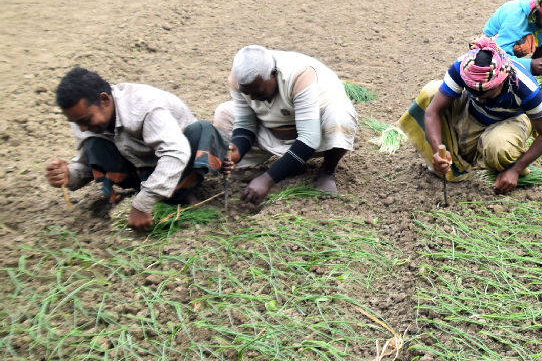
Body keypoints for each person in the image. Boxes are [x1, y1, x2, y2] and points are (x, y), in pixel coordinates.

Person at [45, 67, 232, 232]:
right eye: (76, 123)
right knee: (94, 143)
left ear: (104, 100)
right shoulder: (84, 123)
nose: (82, 128)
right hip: (139, 168)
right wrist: (69, 175)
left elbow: (176, 153)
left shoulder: (143, 106)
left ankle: (182, 193)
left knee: (201, 130)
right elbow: (89, 164)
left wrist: (144, 203)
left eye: (85, 120)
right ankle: (155, 192)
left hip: (180, 163)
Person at [398, 37, 542, 194]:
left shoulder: (524, 86)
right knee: (431, 92)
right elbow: (433, 111)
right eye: (475, 92)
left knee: (499, 146)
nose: (481, 98)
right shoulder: (463, 67)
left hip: (511, 119)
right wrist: (436, 151)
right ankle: (453, 162)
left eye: (487, 94)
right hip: (474, 111)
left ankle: (493, 167)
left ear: (501, 81)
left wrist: (516, 169)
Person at [212, 46, 358, 205]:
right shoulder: (238, 79)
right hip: (272, 131)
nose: (253, 98)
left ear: (274, 74)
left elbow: (310, 138)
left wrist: (267, 179)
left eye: (259, 93)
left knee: (340, 116)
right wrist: (236, 151)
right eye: (248, 94)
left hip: (314, 132)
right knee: (223, 113)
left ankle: (328, 171)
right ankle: (289, 161)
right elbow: (245, 123)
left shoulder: (299, 75)